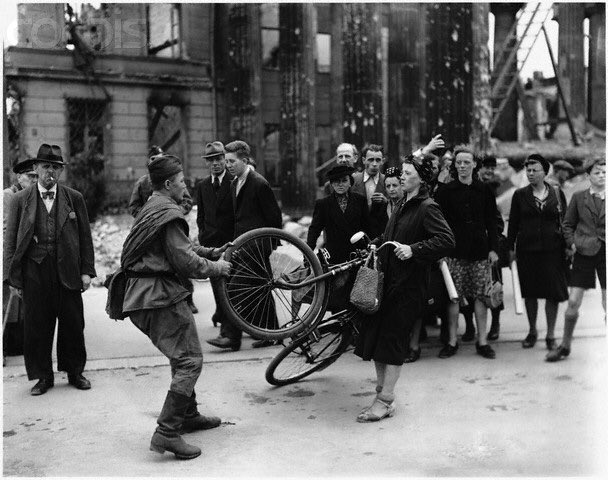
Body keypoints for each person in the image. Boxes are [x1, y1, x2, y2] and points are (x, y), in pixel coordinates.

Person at [120, 153, 232, 460]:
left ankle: (188, 414)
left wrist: (210, 251)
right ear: (169, 184)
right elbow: (185, 260)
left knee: (181, 353)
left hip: (152, 292)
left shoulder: (155, 206)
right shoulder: (167, 211)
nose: (185, 186)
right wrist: (218, 267)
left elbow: (182, 245)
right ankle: (167, 432)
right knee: (189, 361)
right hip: (156, 295)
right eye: (181, 181)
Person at [354, 156, 454, 422]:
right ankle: (381, 392)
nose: (402, 177)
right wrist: (375, 242)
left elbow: (446, 240)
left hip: (409, 286)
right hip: (388, 282)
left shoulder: (427, 207)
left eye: (408, 173)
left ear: (420, 179)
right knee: (376, 339)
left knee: (393, 342)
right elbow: (391, 237)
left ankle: (385, 400)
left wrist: (415, 250)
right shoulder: (400, 204)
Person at [3, 144, 96, 395]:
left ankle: (75, 371)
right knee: (37, 326)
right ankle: (43, 377)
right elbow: (10, 240)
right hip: (35, 272)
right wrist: (13, 278)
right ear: (36, 168)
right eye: (46, 167)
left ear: (61, 171)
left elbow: (86, 237)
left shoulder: (73, 198)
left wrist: (87, 270)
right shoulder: (20, 200)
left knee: (73, 324)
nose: (50, 172)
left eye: (55, 167)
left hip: (69, 270)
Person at [207, 140, 282, 351]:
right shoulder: (235, 183)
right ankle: (271, 333)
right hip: (242, 246)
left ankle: (231, 337)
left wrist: (269, 247)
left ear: (245, 160)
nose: (227, 165)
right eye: (226, 161)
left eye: (231, 161)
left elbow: (274, 218)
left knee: (232, 289)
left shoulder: (259, 183)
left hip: (256, 247)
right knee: (261, 289)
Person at [435, 146, 500, 359]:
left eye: (466, 162)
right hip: (454, 252)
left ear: (474, 164)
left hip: (480, 252)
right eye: (459, 162)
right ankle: (452, 342)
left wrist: (493, 249)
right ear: (454, 165)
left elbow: (492, 222)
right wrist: (442, 251)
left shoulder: (485, 190)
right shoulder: (445, 191)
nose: (462, 166)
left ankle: (482, 342)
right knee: (454, 298)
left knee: (481, 297)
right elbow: (439, 224)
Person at [507, 154, 569, 351]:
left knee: (553, 294)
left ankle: (551, 334)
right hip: (528, 251)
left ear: (545, 172)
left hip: (553, 251)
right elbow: (513, 225)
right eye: (528, 170)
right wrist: (510, 249)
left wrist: (569, 246)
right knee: (530, 293)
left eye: (535, 170)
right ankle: (532, 331)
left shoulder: (557, 193)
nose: (531, 174)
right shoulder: (519, 195)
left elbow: (566, 222)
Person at [547, 158, 606, 362]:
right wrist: (572, 244)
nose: (602, 175)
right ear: (588, 176)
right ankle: (565, 345)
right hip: (584, 252)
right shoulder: (580, 197)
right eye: (597, 172)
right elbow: (567, 224)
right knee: (573, 301)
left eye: (605, 172)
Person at [128, 146, 198, 314]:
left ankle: (188, 298)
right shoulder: (142, 183)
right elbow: (134, 206)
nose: (157, 162)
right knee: (159, 264)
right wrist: (148, 218)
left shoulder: (173, 180)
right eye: (153, 159)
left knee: (181, 263)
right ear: (148, 162)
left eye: (160, 159)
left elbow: (187, 200)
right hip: (150, 230)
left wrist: (173, 213)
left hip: (171, 224)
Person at [194, 142, 234, 328]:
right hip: (211, 245)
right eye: (211, 160)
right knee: (216, 284)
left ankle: (232, 323)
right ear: (207, 164)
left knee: (232, 284)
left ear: (225, 160)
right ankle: (222, 315)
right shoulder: (203, 186)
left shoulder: (233, 181)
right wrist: (204, 237)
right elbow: (200, 216)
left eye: (218, 159)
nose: (215, 164)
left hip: (230, 242)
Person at [3, 158, 38, 362]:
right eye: (29, 176)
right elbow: (7, 230)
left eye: (35, 176)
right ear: (19, 177)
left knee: (23, 306)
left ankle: (18, 345)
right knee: (5, 304)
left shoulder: (32, 196)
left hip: (26, 258)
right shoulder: (9, 196)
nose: (33, 180)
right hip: (10, 257)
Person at [307, 165, 370, 264]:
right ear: (331, 184)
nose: (340, 184)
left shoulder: (360, 201)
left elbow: (366, 227)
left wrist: (366, 248)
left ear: (350, 183)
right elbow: (314, 231)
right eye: (336, 181)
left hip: (356, 256)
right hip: (333, 257)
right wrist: (307, 255)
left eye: (344, 180)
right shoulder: (323, 204)